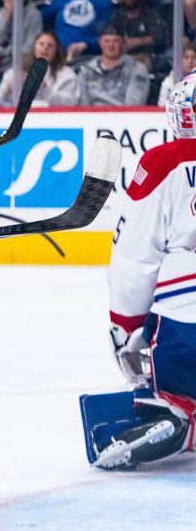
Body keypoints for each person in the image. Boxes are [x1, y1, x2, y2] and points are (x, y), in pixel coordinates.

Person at [92, 73, 196, 469]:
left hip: (186, 325)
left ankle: (176, 414)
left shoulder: (163, 162)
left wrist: (124, 326)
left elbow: (135, 259)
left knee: (177, 387)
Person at [42, 0, 114, 59]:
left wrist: (86, 45)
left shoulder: (104, 1)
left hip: (87, 56)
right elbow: (41, 18)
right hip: (58, 54)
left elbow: (108, 34)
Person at [0, 31, 78, 107]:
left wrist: (44, 88)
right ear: (34, 47)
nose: (45, 48)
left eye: (50, 45)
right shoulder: (14, 73)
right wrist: (7, 90)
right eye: (41, 44)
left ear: (56, 51)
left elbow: (71, 104)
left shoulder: (67, 74)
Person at [76, 25, 151, 106]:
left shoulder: (137, 69)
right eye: (106, 41)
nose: (110, 46)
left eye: (115, 41)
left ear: (123, 42)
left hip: (123, 117)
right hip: (89, 117)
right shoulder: (86, 70)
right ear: (100, 42)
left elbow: (134, 105)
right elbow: (82, 103)